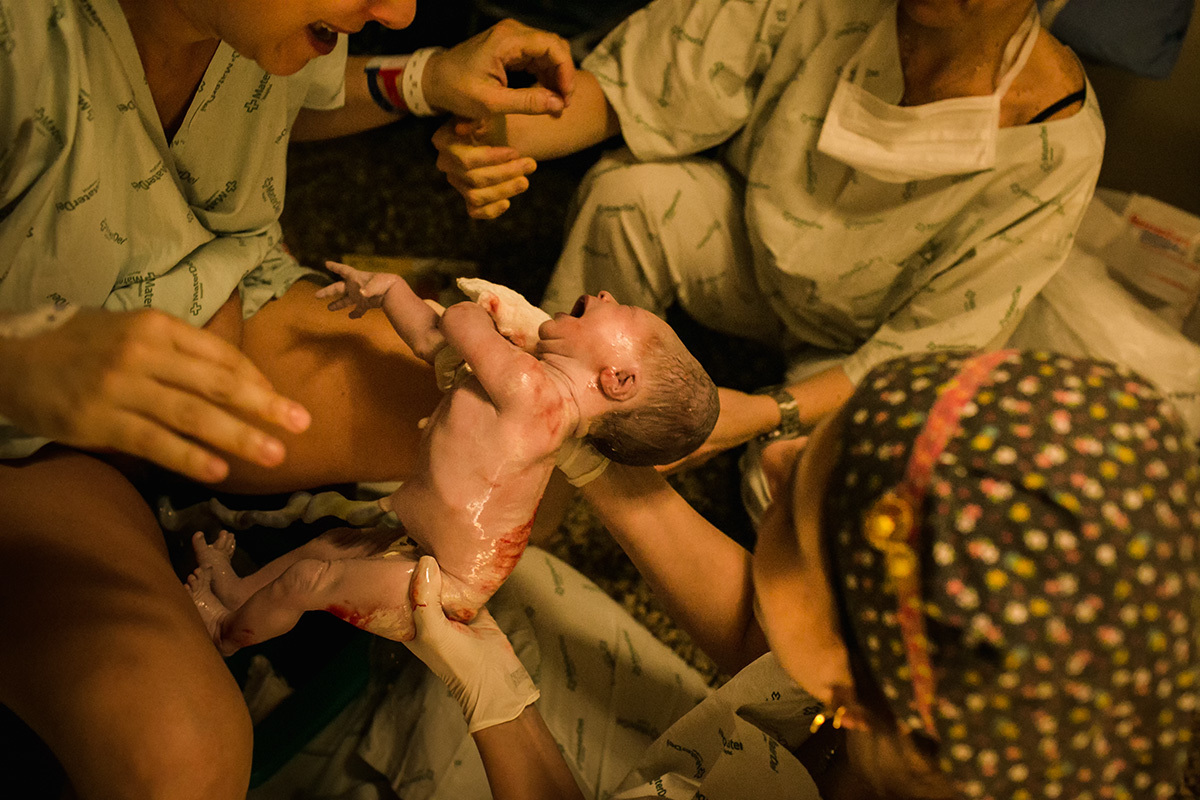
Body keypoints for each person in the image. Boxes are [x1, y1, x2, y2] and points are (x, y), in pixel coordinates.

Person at [0, 1, 579, 797]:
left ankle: (225, 546)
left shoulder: (247, 20)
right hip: (29, 440)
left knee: (550, 470)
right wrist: (19, 363)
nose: (400, 9)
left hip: (242, 328)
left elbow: (282, 92)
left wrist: (421, 79)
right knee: (181, 757)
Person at [349, 349, 1199, 800]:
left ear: (855, 674)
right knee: (520, 589)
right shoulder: (942, 695)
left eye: (794, 522)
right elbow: (772, 645)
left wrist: (500, 706)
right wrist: (595, 457)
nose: (778, 452)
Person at [432, 0, 1106, 520]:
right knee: (626, 197)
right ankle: (539, 442)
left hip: (861, 349)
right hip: (752, 250)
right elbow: (644, 85)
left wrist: (761, 413)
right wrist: (493, 136)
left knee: (805, 491)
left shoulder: (1057, 150)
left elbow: (921, 353)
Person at [185, 261, 719, 656]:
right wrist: (391, 290)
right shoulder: (517, 380)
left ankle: (224, 635)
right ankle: (236, 591)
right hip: (425, 543)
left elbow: (462, 320)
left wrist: (505, 311)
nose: (605, 292)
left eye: (620, 310)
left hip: (442, 585)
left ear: (618, 380)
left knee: (310, 582)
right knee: (328, 545)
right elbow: (429, 338)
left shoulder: (536, 396)